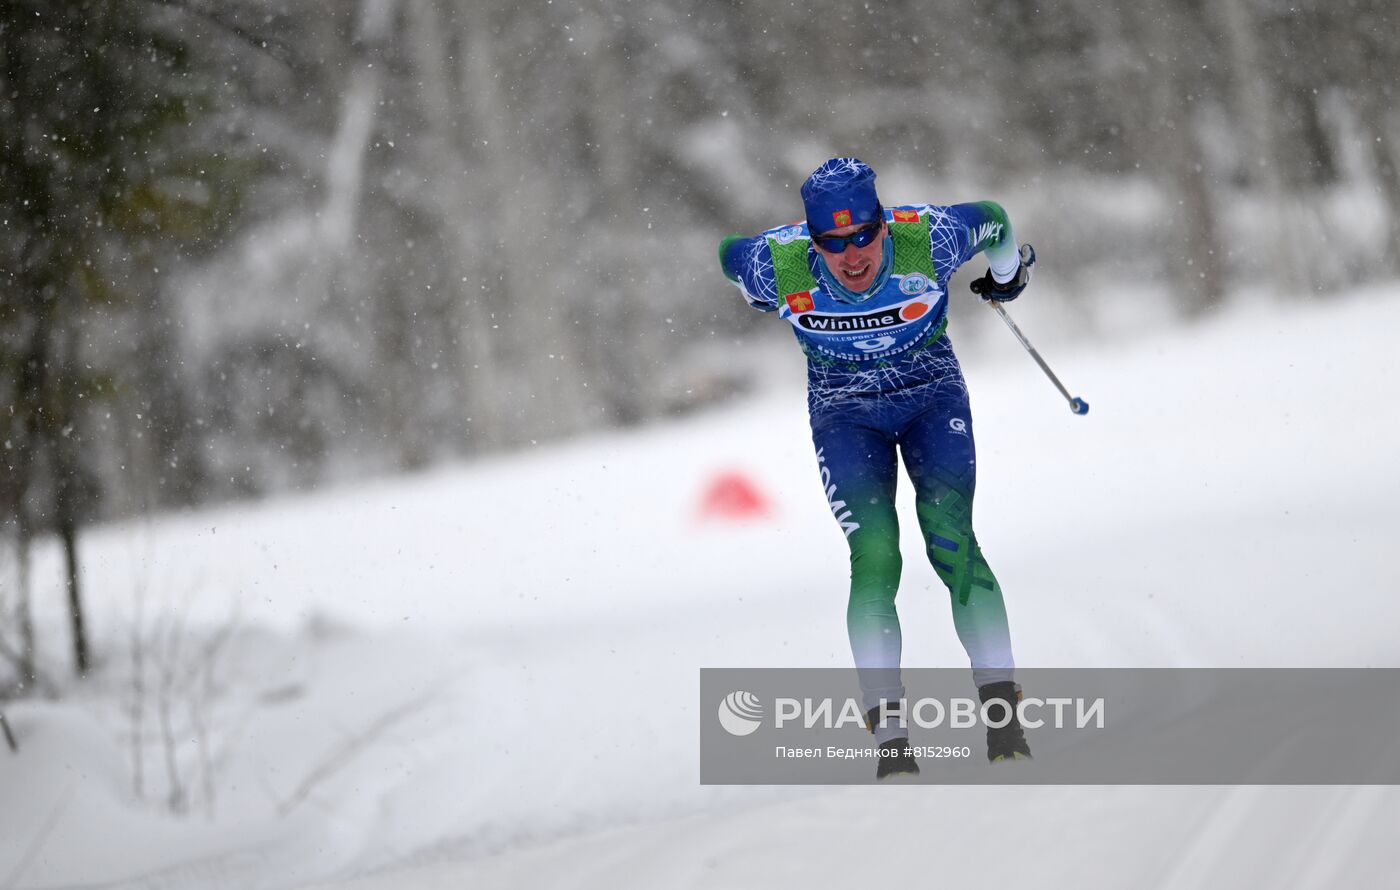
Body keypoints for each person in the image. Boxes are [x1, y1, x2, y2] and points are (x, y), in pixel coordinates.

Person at [718, 157, 1034, 779]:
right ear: (813, 242)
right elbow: (730, 252)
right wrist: (753, 292)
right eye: (832, 243)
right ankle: (891, 739)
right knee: (877, 554)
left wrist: (1006, 277)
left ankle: (1003, 719)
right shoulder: (778, 264)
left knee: (950, 537)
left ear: (884, 225)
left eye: (864, 235)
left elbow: (993, 220)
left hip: (930, 393)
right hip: (843, 412)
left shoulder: (927, 236)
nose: (851, 255)